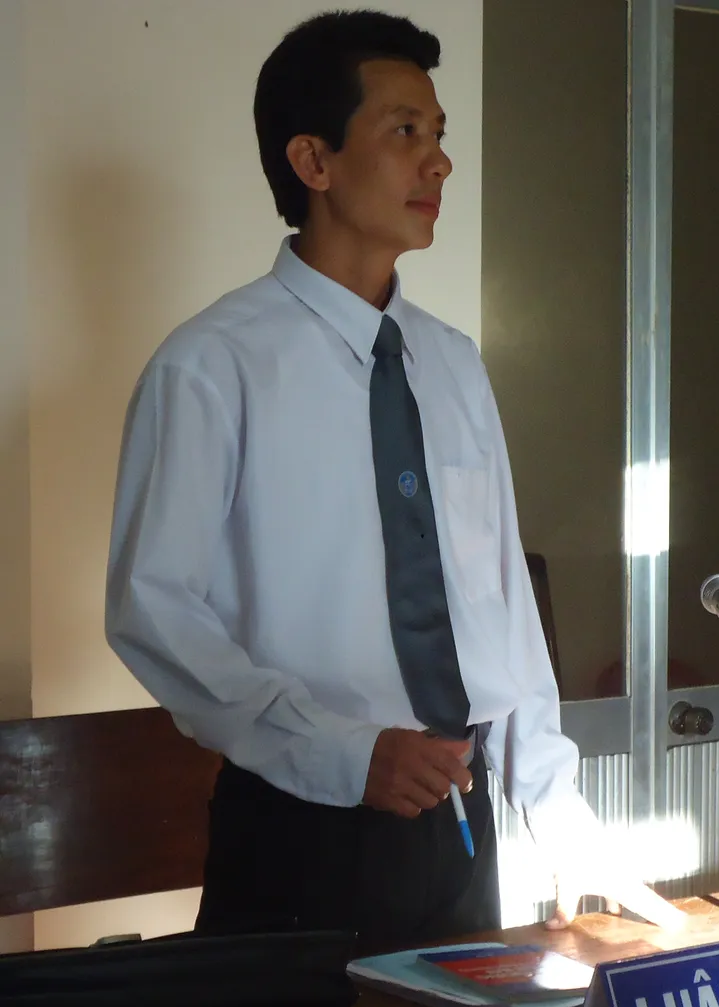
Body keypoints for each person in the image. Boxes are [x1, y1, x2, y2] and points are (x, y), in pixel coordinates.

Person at [106, 9, 681, 950]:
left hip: (459, 827)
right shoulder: (211, 366)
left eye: (440, 134)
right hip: (300, 829)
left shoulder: (452, 364)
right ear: (313, 160)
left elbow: (500, 605)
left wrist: (555, 812)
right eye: (405, 131)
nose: (439, 163)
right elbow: (153, 608)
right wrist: (342, 753)